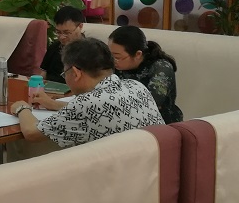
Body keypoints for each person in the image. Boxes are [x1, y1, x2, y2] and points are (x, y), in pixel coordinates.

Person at [11, 38, 164, 148]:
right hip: (157, 169)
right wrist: (53, 104)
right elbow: (100, 109)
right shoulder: (135, 86)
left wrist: (22, 108)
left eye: (65, 74)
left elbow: (31, 133)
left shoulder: (86, 103)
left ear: (76, 73)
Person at [108, 25, 184, 124]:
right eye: (110, 55)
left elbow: (151, 103)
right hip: (125, 121)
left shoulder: (161, 68)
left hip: (161, 123)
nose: (113, 61)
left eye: (117, 57)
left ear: (138, 54)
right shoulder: (115, 66)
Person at [40, 6, 85, 83]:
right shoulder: (54, 47)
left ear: (80, 27)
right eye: (58, 32)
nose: (61, 37)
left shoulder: (90, 51)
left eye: (67, 32)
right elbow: (43, 73)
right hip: (50, 87)